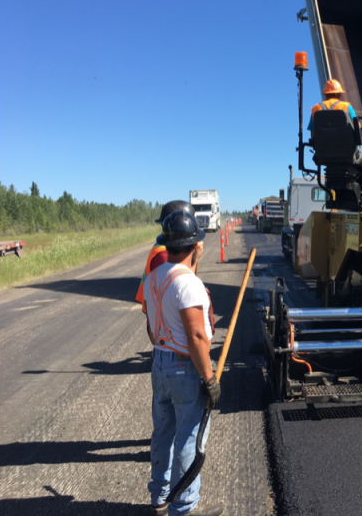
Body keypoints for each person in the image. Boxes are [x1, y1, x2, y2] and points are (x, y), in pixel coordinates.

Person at [145, 211, 223, 516]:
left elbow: (151, 328)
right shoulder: (189, 284)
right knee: (189, 438)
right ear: (193, 245)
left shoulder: (153, 277)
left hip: (160, 362)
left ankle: (160, 495)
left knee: (163, 432)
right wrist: (209, 378)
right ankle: (184, 507)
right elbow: (197, 337)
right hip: (184, 368)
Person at [138, 201, 197, 342]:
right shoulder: (163, 255)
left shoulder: (163, 248)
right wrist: (195, 259)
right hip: (164, 324)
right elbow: (182, 285)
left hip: (161, 316)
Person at [308, 79, 362, 192]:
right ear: (339, 95)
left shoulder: (315, 109)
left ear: (325, 95)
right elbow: (357, 126)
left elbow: (313, 133)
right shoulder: (346, 106)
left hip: (324, 154)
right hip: (347, 152)